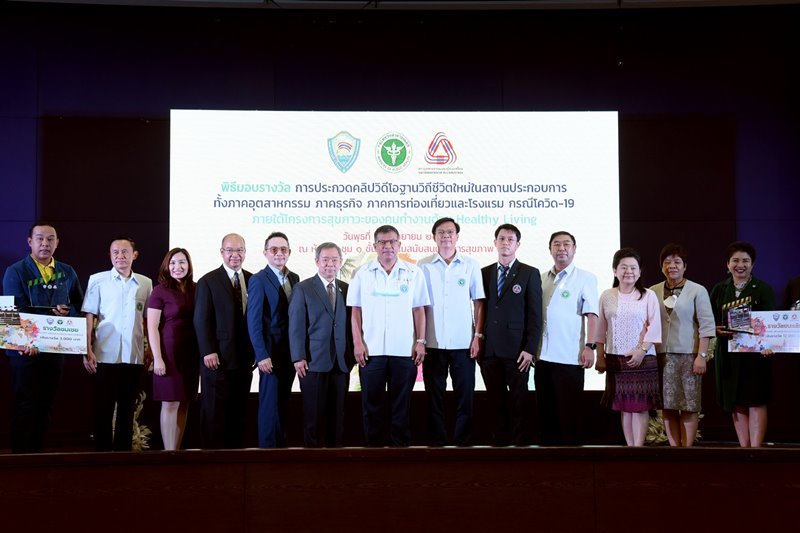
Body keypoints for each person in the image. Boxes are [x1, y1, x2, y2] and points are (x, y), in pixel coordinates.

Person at [2, 222, 84, 453]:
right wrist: (23, 343)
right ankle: (20, 459)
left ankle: (38, 457)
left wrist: (68, 312)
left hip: (55, 348)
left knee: (46, 404)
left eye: (50, 239)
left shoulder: (67, 272)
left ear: (57, 243)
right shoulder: (15, 271)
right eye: (40, 238)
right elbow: (8, 309)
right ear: (30, 242)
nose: (45, 243)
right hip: (24, 351)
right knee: (25, 404)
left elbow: (79, 306)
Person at [347, 225, 429, 447]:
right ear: (375, 246)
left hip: (404, 350)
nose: (387, 246)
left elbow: (419, 309)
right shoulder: (362, 273)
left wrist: (421, 341)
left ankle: (399, 452)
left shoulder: (414, 272)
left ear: (399, 244)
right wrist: (357, 343)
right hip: (371, 351)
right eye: (382, 242)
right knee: (371, 405)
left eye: (392, 241)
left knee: (401, 406)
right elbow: (356, 311)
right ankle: (373, 452)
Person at [418, 217, 485, 446]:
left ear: (457, 236)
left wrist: (477, 336)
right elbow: (418, 306)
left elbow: (479, 303)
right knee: (434, 396)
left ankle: (462, 442)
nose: (446, 236)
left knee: (464, 396)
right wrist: (420, 340)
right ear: (434, 237)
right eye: (441, 232)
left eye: (450, 232)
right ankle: (437, 442)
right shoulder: (423, 265)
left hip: (463, 343)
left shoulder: (470, 264)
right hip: (432, 344)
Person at [82, 237, 153, 451]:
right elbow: (89, 316)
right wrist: (86, 350)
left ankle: (123, 457)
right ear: (110, 255)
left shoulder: (146, 283)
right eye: (115, 252)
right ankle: (102, 456)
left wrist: (149, 350)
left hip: (134, 356)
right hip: (103, 354)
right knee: (102, 409)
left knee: (127, 409)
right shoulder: (97, 280)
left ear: (134, 255)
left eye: (124, 252)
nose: (120, 256)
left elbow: (148, 320)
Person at [480, 224, 542, 446]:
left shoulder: (529, 273)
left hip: (518, 351)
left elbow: (535, 315)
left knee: (519, 401)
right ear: (495, 242)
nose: (505, 243)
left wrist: (530, 349)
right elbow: (481, 310)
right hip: (490, 350)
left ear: (518, 244)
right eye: (501, 238)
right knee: (494, 401)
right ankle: (498, 446)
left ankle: (520, 446)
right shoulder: (485, 272)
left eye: (510, 239)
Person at [535, 230, 598, 446]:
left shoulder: (585, 278)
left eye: (566, 244)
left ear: (574, 249)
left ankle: (572, 459)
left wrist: (590, 346)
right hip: (542, 356)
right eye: (556, 244)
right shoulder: (540, 278)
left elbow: (592, 315)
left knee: (569, 414)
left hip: (570, 356)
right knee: (546, 413)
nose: (561, 248)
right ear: (550, 249)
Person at [710, 241, 775, 447]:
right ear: (727, 264)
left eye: (745, 261)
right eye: (735, 261)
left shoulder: (763, 289)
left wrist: (770, 345)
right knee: (735, 401)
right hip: (729, 354)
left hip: (757, 357)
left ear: (752, 264)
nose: (740, 265)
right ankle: (744, 449)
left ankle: (756, 450)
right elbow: (709, 321)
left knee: (756, 401)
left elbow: (771, 323)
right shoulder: (719, 289)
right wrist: (716, 329)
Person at [593, 248, 661, 447]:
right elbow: (600, 329)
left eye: (633, 267)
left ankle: (638, 449)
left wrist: (641, 350)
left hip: (643, 358)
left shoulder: (648, 295)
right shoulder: (607, 295)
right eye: (623, 267)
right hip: (616, 358)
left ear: (639, 272)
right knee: (624, 406)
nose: (628, 271)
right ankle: (629, 450)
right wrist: (600, 356)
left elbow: (655, 326)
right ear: (615, 271)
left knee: (639, 407)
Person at [649, 244, 715, 447]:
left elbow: (707, 326)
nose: (672, 266)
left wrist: (701, 356)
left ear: (685, 266)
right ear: (661, 266)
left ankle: (687, 450)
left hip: (689, 356)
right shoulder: (652, 291)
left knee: (689, 404)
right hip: (661, 356)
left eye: (677, 262)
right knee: (667, 406)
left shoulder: (697, 290)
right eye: (667, 262)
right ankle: (674, 449)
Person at [288, 242, 353, 447]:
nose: (330, 264)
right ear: (317, 261)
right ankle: (312, 461)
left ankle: (336, 460)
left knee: (338, 417)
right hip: (312, 363)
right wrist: (298, 357)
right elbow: (296, 325)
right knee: (313, 418)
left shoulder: (346, 289)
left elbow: (350, 326)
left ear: (340, 262)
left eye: (334, 260)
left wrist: (350, 357)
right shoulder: (303, 288)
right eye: (325, 260)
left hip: (340, 363)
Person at [194, 233, 254, 449]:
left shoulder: (253, 279)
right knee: (213, 412)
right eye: (230, 250)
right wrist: (208, 350)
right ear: (222, 252)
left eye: (239, 250)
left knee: (238, 412)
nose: (235, 255)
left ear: (245, 253)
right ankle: (211, 460)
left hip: (244, 360)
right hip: (216, 359)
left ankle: (236, 460)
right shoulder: (208, 281)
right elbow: (201, 319)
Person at [247, 232, 299, 448]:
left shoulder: (294, 278)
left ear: (289, 252)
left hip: (290, 353)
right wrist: (261, 355)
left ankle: (281, 450)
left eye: (283, 249)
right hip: (269, 354)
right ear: (265, 252)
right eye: (274, 249)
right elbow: (254, 321)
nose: (279, 253)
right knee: (269, 404)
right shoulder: (258, 280)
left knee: (283, 402)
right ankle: (267, 452)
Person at [146, 248, 198, 450]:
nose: (178, 267)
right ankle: (169, 454)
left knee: (184, 402)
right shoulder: (160, 291)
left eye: (182, 262)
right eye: (173, 263)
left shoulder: (196, 288)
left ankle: (177, 451)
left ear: (189, 264)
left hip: (190, 354)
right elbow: (152, 326)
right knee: (170, 403)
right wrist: (157, 358)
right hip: (168, 353)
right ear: (166, 266)